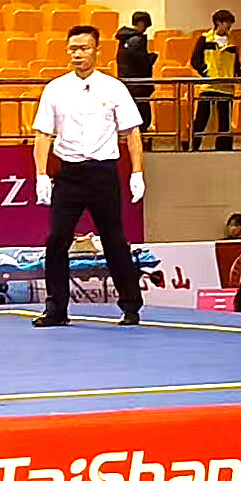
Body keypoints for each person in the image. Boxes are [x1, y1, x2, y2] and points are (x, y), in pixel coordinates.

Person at [30, 24, 145, 328]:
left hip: (102, 173)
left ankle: (130, 306)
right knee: (57, 239)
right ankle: (56, 308)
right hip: (69, 173)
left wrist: (137, 172)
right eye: (72, 49)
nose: (77, 54)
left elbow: (132, 132)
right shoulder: (55, 89)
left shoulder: (114, 88)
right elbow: (43, 134)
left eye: (83, 48)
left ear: (97, 51)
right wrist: (41, 174)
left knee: (114, 239)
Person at [189, 9, 241, 151]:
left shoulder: (232, 42)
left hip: (226, 86)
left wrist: (238, 75)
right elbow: (195, 60)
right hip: (209, 85)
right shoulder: (205, 39)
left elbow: (236, 63)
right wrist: (206, 72)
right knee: (201, 118)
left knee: (225, 121)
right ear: (218, 22)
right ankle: (192, 146)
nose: (229, 26)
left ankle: (224, 149)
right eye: (227, 23)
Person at [115, 11, 157, 136]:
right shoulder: (137, 40)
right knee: (142, 118)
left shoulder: (124, 39)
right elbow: (142, 63)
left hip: (127, 82)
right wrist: (152, 58)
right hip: (139, 85)